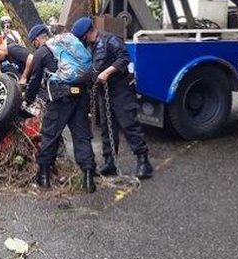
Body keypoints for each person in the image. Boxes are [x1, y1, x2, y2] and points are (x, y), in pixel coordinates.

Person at [71, 17, 154, 179]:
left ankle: (143, 161)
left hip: (121, 90)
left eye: (83, 37)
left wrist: (107, 72)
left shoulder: (111, 40)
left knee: (129, 124)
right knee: (107, 128)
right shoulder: (90, 46)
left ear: (88, 32)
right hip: (104, 92)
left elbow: (124, 58)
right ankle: (110, 162)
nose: (83, 40)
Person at [24, 24, 97, 193]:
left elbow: (35, 80)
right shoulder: (69, 42)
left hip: (60, 99)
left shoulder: (42, 52)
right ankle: (88, 179)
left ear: (36, 40)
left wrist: (27, 98)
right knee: (82, 136)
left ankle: (44, 177)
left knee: (50, 135)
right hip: (80, 95)